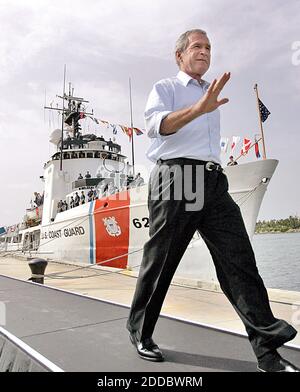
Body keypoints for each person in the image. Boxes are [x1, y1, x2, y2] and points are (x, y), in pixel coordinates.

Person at [126, 29, 299, 372]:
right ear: (180, 56)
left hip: (213, 180)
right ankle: (140, 331)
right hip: (177, 177)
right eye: (197, 47)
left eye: (208, 47)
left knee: (240, 262)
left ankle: (267, 352)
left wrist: (206, 107)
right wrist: (198, 109)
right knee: (162, 262)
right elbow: (159, 127)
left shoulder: (211, 93)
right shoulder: (166, 88)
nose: (204, 52)